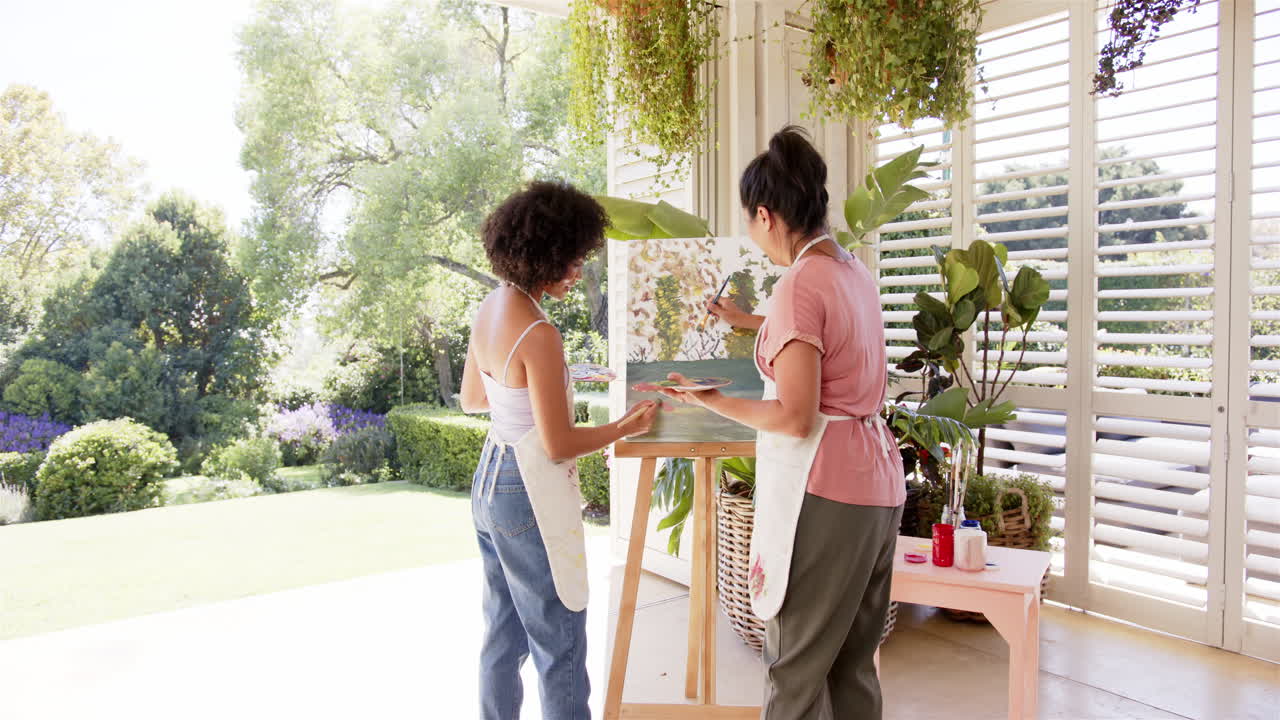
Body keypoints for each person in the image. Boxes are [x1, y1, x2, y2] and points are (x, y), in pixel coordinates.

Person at [658, 126, 905, 720]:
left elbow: (794, 418)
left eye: (749, 221)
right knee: (852, 663)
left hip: (826, 490)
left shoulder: (800, 286)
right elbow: (824, 338)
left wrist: (709, 399)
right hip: (877, 483)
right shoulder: (852, 272)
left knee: (793, 666)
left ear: (766, 215)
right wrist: (747, 319)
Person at [460, 180, 658, 720]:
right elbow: (559, 443)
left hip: (489, 482)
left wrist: (549, 384)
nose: (577, 273)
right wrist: (626, 425)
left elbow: (475, 399)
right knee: (560, 637)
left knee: (503, 632)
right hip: (527, 492)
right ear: (541, 255)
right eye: (570, 262)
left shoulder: (490, 307)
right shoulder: (539, 333)